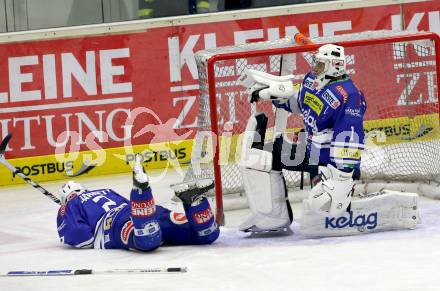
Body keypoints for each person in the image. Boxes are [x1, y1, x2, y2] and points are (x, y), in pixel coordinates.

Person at [238, 43, 420, 236]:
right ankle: (273, 216)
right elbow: (300, 103)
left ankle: (351, 201)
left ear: (335, 65)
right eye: (316, 62)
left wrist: (342, 178)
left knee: (325, 206)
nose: (315, 67)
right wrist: (275, 95)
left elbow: (349, 137)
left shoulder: (349, 95)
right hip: (311, 153)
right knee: (264, 154)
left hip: (331, 163)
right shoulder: (312, 80)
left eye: (320, 64)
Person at [57, 155, 219, 250]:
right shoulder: (106, 191)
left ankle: (141, 192)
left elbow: (79, 235)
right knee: (205, 235)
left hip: (116, 222)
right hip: (145, 211)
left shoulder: (70, 205)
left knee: (148, 240)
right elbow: (128, 206)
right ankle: (196, 203)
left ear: (66, 198)